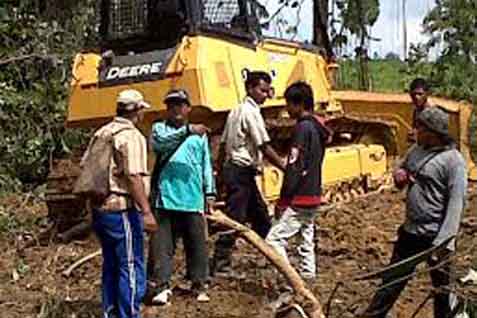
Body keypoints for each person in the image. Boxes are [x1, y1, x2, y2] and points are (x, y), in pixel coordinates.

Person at [362, 106, 468, 318]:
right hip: (410, 233)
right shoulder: (416, 151)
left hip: (435, 237)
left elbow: (457, 203)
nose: (415, 131)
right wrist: (399, 175)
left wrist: (445, 242)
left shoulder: (453, 161)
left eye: (420, 128)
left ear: (432, 132)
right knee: (390, 283)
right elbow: (401, 170)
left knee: (443, 292)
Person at [90, 89, 158, 318]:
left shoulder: (102, 132)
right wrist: (146, 211)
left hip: (100, 209)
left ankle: (110, 312)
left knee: (111, 264)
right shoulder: (131, 136)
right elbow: (133, 176)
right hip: (121, 209)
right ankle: (129, 314)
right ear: (137, 111)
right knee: (130, 265)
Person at [211, 70, 286, 275]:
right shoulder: (251, 113)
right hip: (240, 171)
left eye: (268, 90)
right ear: (250, 89)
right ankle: (220, 263)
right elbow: (264, 145)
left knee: (261, 217)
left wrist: (219, 172)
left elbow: (223, 143)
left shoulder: (235, 111)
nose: (265, 94)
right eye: (262, 90)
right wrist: (285, 167)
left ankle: (275, 258)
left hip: (237, 171)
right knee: (236, 218)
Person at [148, 89, 215, 305]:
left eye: (180, 104)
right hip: (165, 197)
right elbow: (160, 145)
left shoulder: (200, 136)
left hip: (192, 197)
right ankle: (161, 285)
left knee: (197, 245)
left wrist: (209, 192)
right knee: (162, 246)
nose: (176, 108)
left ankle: (199, 284)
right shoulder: (160, 129)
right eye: (172, 105)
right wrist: (187, 131)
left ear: (188, 108)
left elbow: (206, 164)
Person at [265, 81, 330, 281]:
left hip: (300, 195)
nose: (287, 109)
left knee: (273, 240)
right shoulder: (318, 128)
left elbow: (294, 166)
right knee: (306, 236)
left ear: (299, 104)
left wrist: (284, 200)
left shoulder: (302, 129)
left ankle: (290, 280)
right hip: (313, 192)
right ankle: (308, 274)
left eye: (289, 104)